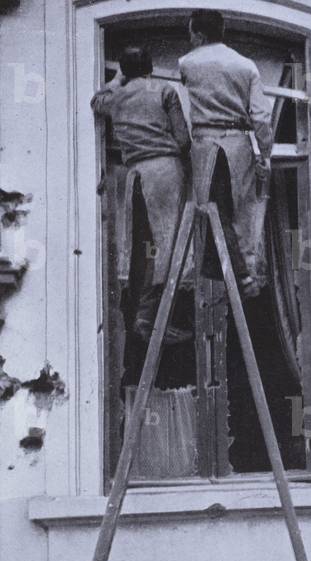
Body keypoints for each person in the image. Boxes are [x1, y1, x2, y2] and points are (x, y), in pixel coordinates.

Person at [91, 46, 192, 343]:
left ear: (124, 69)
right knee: (168, 243)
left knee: (144, 244)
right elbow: (183, 139)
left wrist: (118, 79)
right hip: (164, 172)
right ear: (150, 66)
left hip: (134, 175)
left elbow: (96, 101)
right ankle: (153, 317)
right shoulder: (164, 90)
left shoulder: (115, 96)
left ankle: (145, 315)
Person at [178, 9, 272, 298]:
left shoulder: (186, 63)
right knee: (238, 212)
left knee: (211, 210)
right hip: (237, 143)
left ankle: (237, 276)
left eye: (192, 33)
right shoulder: (246, 66)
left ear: (200, 34)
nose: (190, 39)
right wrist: (264, 152)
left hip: (205, 143)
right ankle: (240, 275)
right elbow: (261, 116)